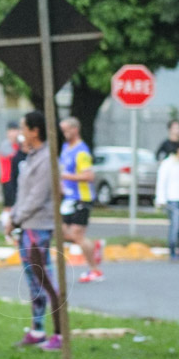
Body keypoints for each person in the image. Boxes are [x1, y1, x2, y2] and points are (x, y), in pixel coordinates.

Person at [5, 111, 62, 351]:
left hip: (37, 227)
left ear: (35, 131)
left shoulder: (47, 158)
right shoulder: (33, 156)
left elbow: (38, 197)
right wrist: (14, 217)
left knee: (45, 279)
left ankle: (60, 333)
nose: (21, 133)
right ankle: (37, 329)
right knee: (33, 282)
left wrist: (17, 219)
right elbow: (23, 194)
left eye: (23, 128)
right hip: (26, 225)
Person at [58, 117, 103, 284]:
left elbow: (89, 176)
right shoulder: (65, 148)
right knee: (61, 233)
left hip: (81, 198)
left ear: (75, 129)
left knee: (77, 235)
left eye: (66, 130)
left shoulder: (81, 151)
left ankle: (95, 270)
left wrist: (65, 176)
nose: (64, 133)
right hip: (68, 198)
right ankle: (94, 247)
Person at [155, 141, 179, 261]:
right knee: (175, 226)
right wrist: (160, 199)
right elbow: (162, 182)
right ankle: (172, 252)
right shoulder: (168, 163)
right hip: (173, 200)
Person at [0, 122, 21, 228]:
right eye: (12, 131)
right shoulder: (6, 145)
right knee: (8, 206)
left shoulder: (19, 145)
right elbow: (14, 156)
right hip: (7, 179)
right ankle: (6, 229)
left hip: (17, 179)